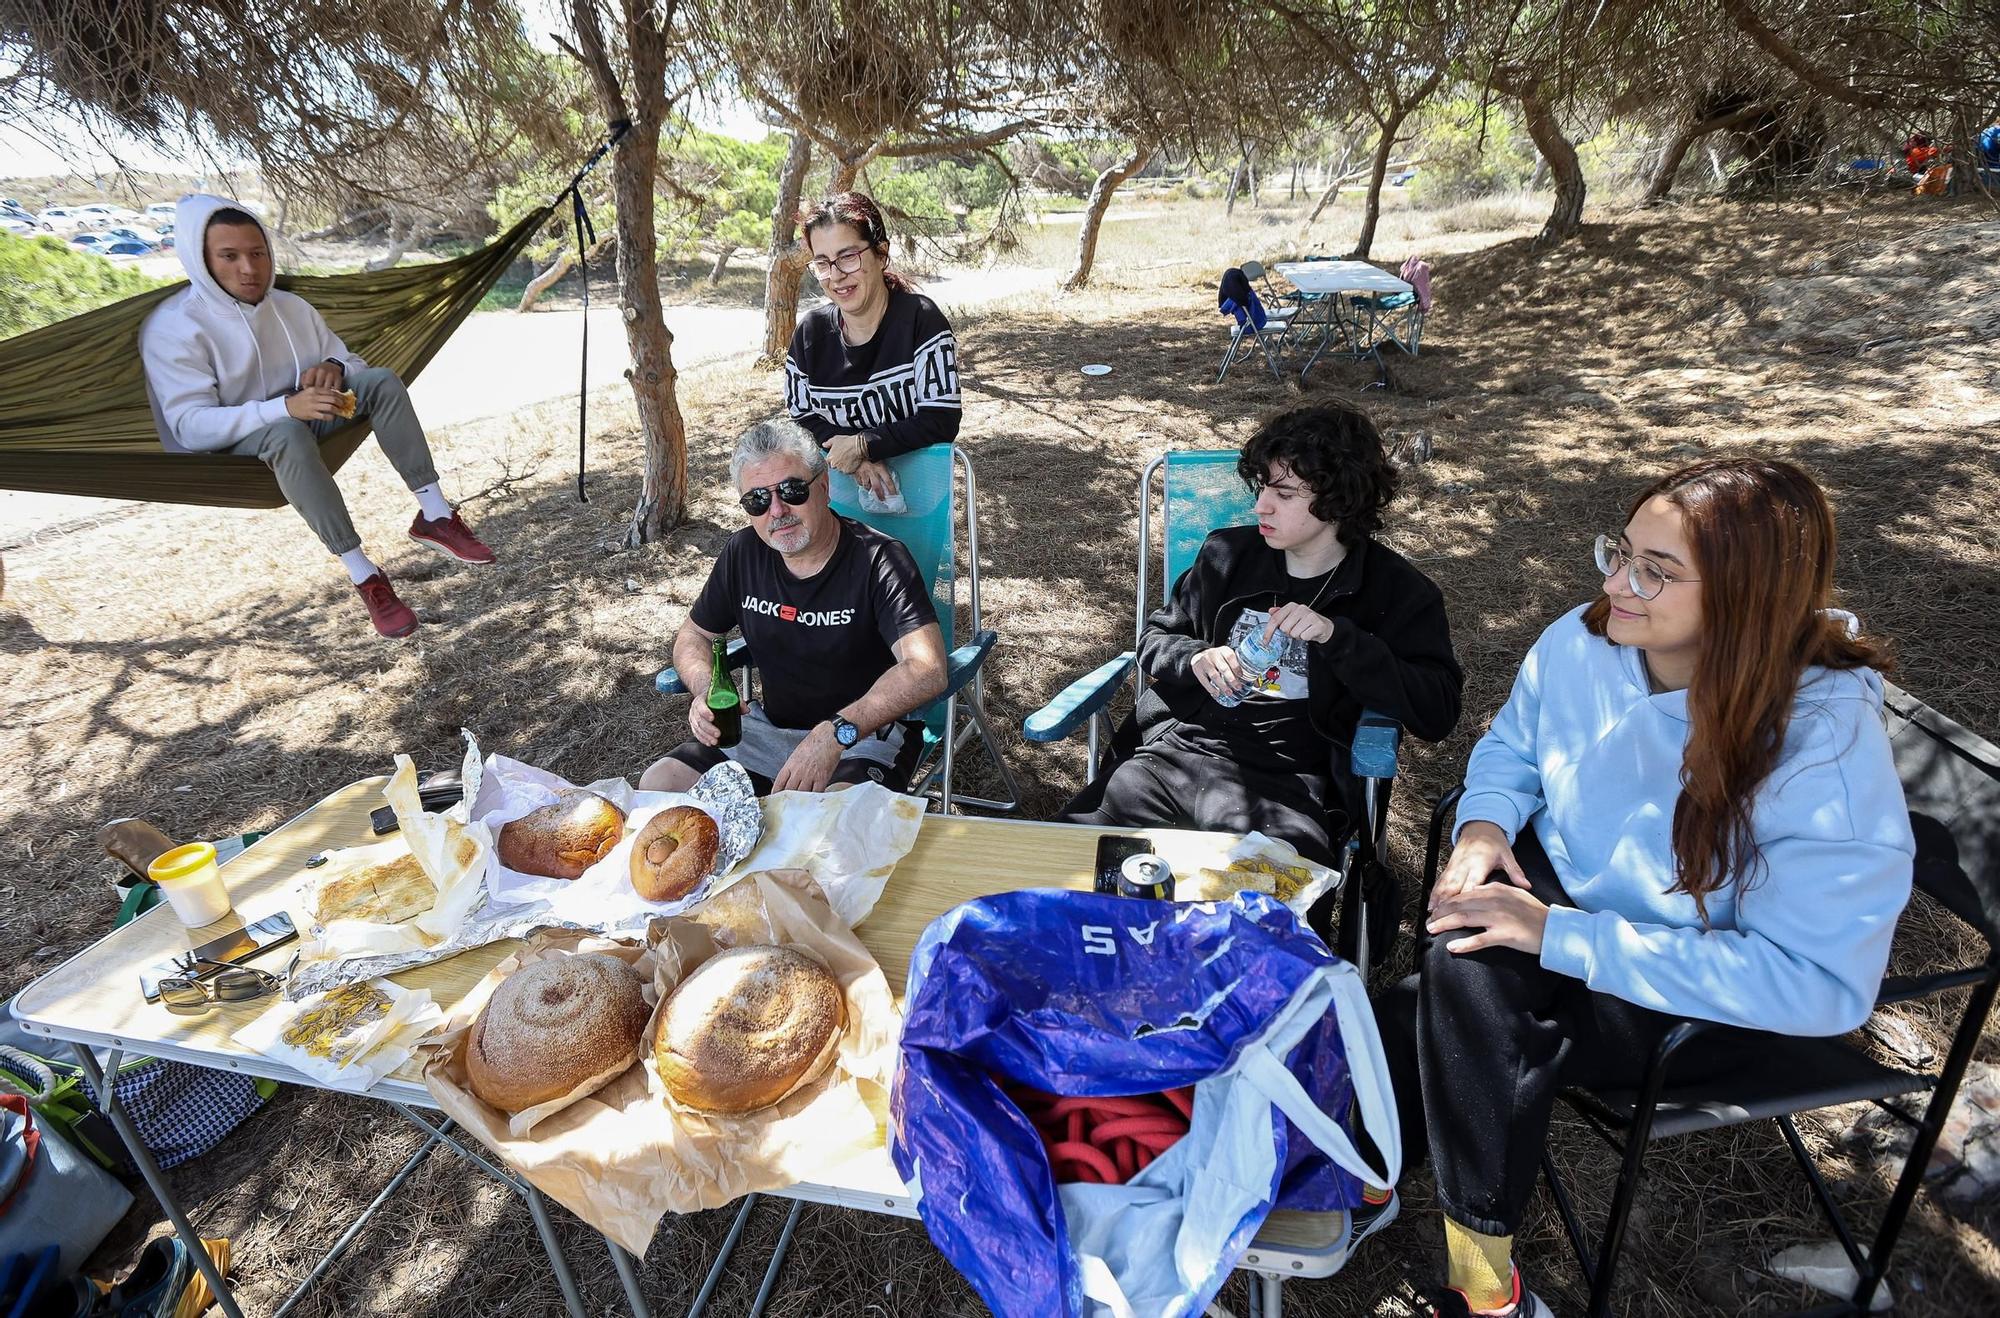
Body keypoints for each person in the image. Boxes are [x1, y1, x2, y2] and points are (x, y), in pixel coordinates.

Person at [1380, 457, 1915, 1318]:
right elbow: (1516, 744)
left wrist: (1557, 936)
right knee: (1430, 994)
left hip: (1704, 994)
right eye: (1621, 552)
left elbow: (1820, 984)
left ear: (1748, 597)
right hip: (1576, 904)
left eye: (1657, 571)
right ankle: (1375, 1178)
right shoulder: (1588, 638)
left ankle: (1482, 1289)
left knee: (1461, 986)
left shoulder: (1818, 745)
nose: (1619, 584)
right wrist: (1484, 826)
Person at [1059, 404, 1463, 871]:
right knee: (1070, 866)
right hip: (1173, 758)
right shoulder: (1228, 555)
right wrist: (1195, 658)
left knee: (1264, 911)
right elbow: (1156, 638)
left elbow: (1437, 711)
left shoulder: (1394, 591)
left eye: (1284, 493)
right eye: (1264, 487)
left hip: (1291, 786)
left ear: (1339, 501)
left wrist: (1341, 640)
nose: (1260, 506)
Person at [140, 194, 493, 640]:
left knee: (381, 381)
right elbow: (189, 427)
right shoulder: (174, 327)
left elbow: (355, 364)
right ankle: (365, 575)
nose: (249, 269)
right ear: (201, 259)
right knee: (286, 432)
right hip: (236, 440)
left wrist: (336, 367)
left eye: (258, 253)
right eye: (229, 257)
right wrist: (283, 408)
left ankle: (435, 514)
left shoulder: (290, 307)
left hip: (305, 414)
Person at [639, 418, 948, 795]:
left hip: (861, 734)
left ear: (823, 486)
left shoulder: (879, 560)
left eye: (792, 489)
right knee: (659, 784)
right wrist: (706, 687)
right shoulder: (743, 554)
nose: (777, 510)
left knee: (832, 827)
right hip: (770, 731)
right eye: (757, 499)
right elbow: (695, 634)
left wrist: (834, 733)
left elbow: (927, 669)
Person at [783, 191, 960, 505]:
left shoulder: (922, 321)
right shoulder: (809, 336)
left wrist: (865, 445)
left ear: (880, 253)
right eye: (822, 263)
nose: (836, 276)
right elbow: (802, 418)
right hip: (837, 503)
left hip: (919, 503)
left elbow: (941, 420)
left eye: (848, 257)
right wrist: (854, 456)